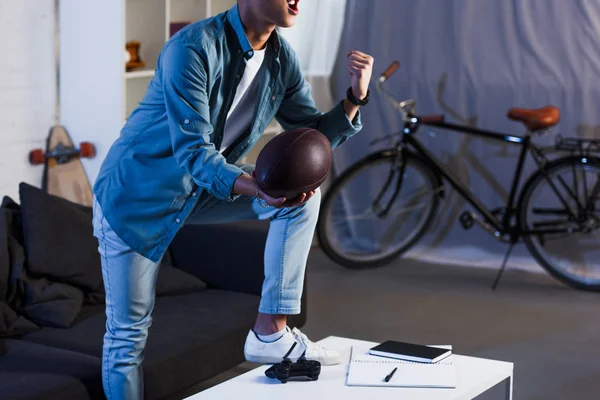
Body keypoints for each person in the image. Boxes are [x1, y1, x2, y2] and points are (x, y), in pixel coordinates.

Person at [92, 0, 373, 398]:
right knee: (127, 336)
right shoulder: (191, 48)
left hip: (202, 189)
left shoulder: (280, 59)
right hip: (135, 200)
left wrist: (354, 100)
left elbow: (309, 136)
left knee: (302, 199)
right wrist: (257, 187)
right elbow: (193, 152)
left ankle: (269, 330)